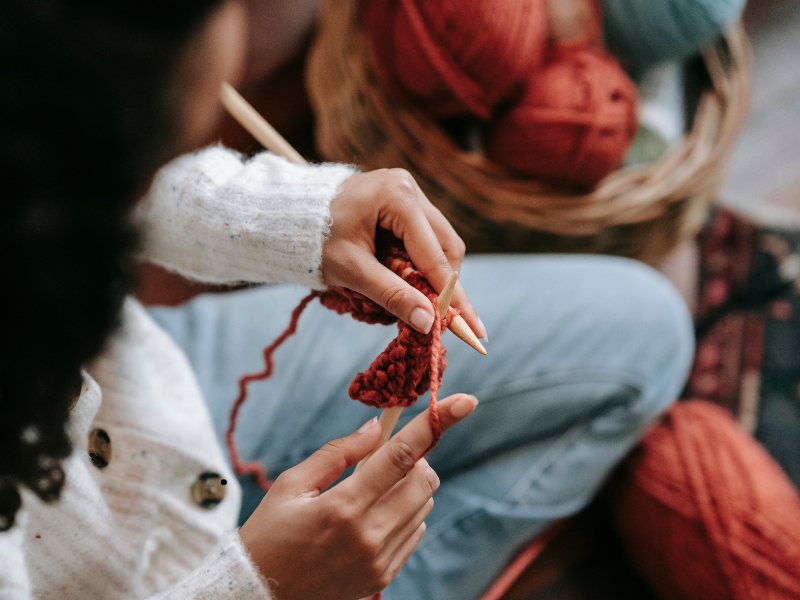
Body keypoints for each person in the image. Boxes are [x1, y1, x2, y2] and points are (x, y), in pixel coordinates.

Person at [0, 1, 694, 600]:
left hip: (153, 401)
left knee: (647, 329)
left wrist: (305, 218)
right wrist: (263, 583)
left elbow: (90, 163)